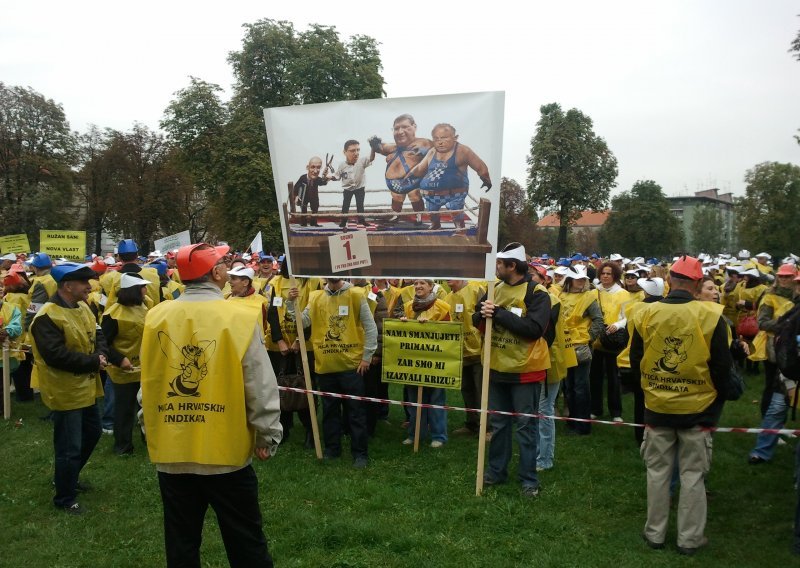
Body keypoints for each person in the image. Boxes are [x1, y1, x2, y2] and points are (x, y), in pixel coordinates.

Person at [141, 243, 282, 567]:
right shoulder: (240, 317)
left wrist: (148, 427)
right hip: (225, 454)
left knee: (181, 543)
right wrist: (267, 434)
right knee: (246, 542)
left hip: (173, 451)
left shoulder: (156, 316)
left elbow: (148, 380)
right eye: (224, 264)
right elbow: (259, 385)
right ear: (216, 273)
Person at [631, 255, 733, 555]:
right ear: (698, 283)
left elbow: (636, 360)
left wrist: (650, 391)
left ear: (669, 280)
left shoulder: (644, 313)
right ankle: (689, 539)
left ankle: (655, 533)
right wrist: (718, 402)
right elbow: (722, 367)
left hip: (657, 407)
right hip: (698, 410)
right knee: (692, 476)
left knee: (657, 472)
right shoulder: (712, 316)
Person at [473, 243, 552, 497]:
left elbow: (533, 329)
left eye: (499, 264)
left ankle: (529, 479)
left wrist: (498, 314)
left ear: (512, 266)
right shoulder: (493, 289)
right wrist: (481, 315)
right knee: (499, 424)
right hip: (496, 367)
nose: (495, 268)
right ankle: (496, 471)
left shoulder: (537, 293)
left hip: (525, 370)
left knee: (525, 427)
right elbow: (478, 317)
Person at [29, 262, 108, 515]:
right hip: (65, 391)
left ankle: (68, 477)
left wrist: (102, 354)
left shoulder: (83, 306)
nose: (89, 287)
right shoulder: (47, 316)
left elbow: (98, 333)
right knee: (68, 447)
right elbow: (55, 355)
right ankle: (64, 497)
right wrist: (94, 361)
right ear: (68, 286)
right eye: (84, 283)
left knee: (92, 433)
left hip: (85, 387)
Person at [296, 277, 377, 467]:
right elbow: (303, 322)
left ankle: (360, 453)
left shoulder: (356, 295)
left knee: (356, 412)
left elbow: (370, 327)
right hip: (325, 366)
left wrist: (367, 356)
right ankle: (332, 449)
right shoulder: (315, 297)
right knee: (329, 411)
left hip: (351, 365)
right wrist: (292, 305)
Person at [404, 123, 492, 231]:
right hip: (431, 195)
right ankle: (435, 225)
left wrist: (485, 178)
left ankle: (460, 230)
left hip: (455, 193)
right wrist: (408, 178)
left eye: (444, 138)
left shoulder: (463, 151)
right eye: (436, 139)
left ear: (455, 138)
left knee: (455, 210)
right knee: (432, 211)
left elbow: (479, 165)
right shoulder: (432, 151)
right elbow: (420, 168)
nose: (440, 142)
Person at [101, 273, 148, 456]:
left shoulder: (145, 307)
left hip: (144, 368)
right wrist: (119, 359)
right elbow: (103, 342)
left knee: (146, 408)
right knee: (125, 410)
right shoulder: (113, 314)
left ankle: (148, 440)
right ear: (135, 289)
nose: (146, 289)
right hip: (124, 371)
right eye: (143, 286)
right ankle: (123, 447)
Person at [400, 279, 451, 448]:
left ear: (431, 286)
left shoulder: (442, 306)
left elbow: (448, 334)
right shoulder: (408, 306)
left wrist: (431, 327)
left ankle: (439, 435)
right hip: (413, 361)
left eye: (422, 283)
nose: (418, 286)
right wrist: (403, 324)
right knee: (415, 401)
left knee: (436, 399)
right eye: (415, 284)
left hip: (435, 362)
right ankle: (415, 434)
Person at [559, 265, 604, 435]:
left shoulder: (589, 298)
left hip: (580, 347)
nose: (582, 282)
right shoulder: (560, 295)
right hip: (564, 345)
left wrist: (588, 339)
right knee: (568, 386)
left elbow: (599, 320)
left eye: (583, 279)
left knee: (580, 386)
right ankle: (572, 420)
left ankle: (583, 425)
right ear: (570, 280)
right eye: (578, 279)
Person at [368, 113, 431, 225]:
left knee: (414, 196)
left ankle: (419, 217)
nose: (400, 131)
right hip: (394, 184)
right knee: (396, 197)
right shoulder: (391, 147)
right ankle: (396, 215)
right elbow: (379, 148)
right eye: (396, 128)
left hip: (413, 182)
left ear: (414, 127)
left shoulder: (424, 143)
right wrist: (374, 143)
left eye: (405, 127)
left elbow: (439, 153)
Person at [445, 279, 487, 437]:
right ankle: (472, 424)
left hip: (478, 350)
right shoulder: (448, 298)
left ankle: (487, 427)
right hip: (460, 352)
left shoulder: (477, 290)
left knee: (482, 390)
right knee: (467, 389)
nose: (448, 278)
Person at [591, 261, 628, 422]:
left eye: (609, 273)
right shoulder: (594, 292)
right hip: (597, 340)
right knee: (595, 376)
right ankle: (595, 409)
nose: (605, 276)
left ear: (615, 276)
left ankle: (616, 412)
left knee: (613, 378)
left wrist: (617, 325)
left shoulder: (623, 293)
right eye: (603, 273)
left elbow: (627, 316)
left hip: (613, 339)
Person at [328, 139, 374, 229]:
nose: (356, 153)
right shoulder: (342, 165)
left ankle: (361, 220)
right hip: (347, 190)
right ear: (344, 152)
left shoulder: (362, 161)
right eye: (352, 150)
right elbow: (337, 176)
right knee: (345, 206)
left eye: (358, 150)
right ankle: (343, 221)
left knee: (360, 205)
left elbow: (371, 158)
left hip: (360, 188)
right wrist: (330, 177)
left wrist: (373, 148)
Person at [293, 156, 329, 227]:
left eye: (318, 167)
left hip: (314, 197)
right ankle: (303, 223)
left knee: (315, 210)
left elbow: (323, 183)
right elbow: (296, 187)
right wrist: (296, 196)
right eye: (313, 167)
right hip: (304, 197)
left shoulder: (318, 179)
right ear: (307, 167)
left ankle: (314, 223)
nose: (315, 171)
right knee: (303, 210)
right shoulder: (303, 178)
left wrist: (325, 176)